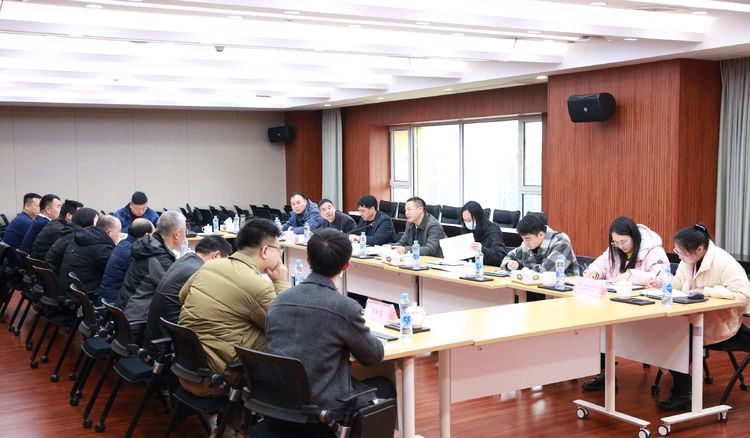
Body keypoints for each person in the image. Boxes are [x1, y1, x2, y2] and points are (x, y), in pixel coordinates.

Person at [266, 229, 385, 415]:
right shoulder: (345, 307)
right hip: (323, 408)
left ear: (308, 260)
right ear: (346, 265)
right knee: (384, 386)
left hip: (278, 401)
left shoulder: (279, 300)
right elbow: (374, 356)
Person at [179, 218, 288, 395]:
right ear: (265, 251)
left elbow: (182, 296)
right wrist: (280, 282)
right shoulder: (258, 286)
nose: (279, 255)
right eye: (278, 249)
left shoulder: (209, 266)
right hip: (221, 375)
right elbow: (284, 326)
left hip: (189, 365)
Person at [651, 225, 750, 411]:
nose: (678, 256)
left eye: (681, 252)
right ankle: (683, 389)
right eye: (676, 251)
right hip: (693, 318)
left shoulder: (724, 262)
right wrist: (663, 283)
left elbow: (743, 295)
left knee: (676, 339)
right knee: (667, 332)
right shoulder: (689, 259)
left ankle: (683, 393)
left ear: (699, 249)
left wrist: (706, 291)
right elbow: (680, 282)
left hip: (722, 322)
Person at [580, 216, 670, 392]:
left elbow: (660, 277)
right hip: (615, 305)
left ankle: (683, 388)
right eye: (616, 242)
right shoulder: (614, 249)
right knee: (598, 327)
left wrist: (631, 275)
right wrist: (593, 273)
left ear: (634, 236)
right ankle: (605, 375)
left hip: (644, 308)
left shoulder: (654, 251)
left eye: (624, 241)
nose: (620, 246)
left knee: (670, 334)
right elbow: (599, 265)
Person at [143, 235, 231, 344]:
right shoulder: (199, 272)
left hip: (158, 335)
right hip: (170, 340)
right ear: (216, 256)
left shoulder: (186, 260)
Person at [116, 210, 185, 323]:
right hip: (136, 322)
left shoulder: (149, 247)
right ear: (176, 234)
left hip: (126, 314)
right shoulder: (158, 258)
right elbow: (178, 291)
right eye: (185, 231)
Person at [57, 215, 121, 296]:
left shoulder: (81, 237)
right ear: (109, 232)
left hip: (69, 289)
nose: (120, 235)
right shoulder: (102, 249)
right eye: (119, 232)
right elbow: (116, 272)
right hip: (86, 294)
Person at [98, 218, 154, 305]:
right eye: (152, 235)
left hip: (108, 297)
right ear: (146, 235)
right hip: (115, 302)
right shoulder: (133, 253)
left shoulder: (124, 244)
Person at [501, 213, 579, 275]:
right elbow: (508, 257)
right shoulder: (526, 244)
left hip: (564, 287)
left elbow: (548, 271)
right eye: (523, 239)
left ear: (541, 234)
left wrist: (522, 270)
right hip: (534, 287)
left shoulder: (561, 241)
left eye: (528, 239)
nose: (525, 242)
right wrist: (508, 264)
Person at [45, 208, 100, 274]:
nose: (97, 226)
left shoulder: (69, 231)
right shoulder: (76, 236)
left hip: (53, 271)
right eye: (96, 222)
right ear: (87, 221)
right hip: (57, 274)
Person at [460, 201, 508, 266]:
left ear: (478, 218)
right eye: (465, 221)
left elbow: (500, 257)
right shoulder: (467, 230)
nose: (467, 223)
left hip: (488, 268)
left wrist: (482, 250)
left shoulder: (493, 231)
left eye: (469, 220)